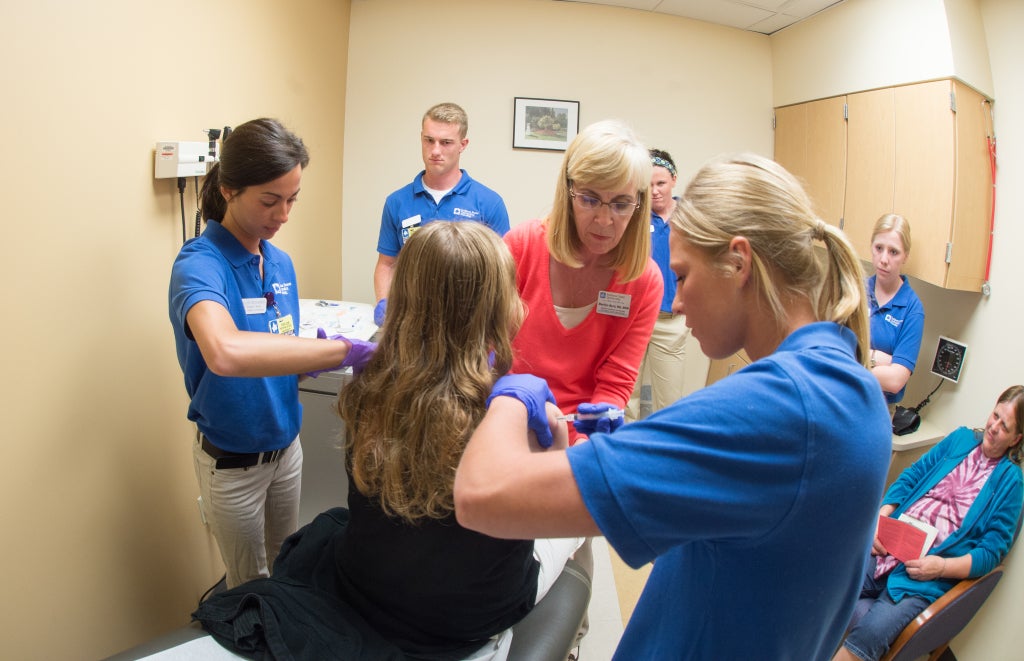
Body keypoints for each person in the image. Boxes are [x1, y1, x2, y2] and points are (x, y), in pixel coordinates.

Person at [455, 153, 893, 659]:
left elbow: (480, 495)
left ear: (738, 262)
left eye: (682, 276)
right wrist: (642, 455)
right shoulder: (853, 387)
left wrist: (513, 393)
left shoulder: (774, 410)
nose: (677, 302)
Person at [335, 220, 581, 660]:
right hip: (468, 621)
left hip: (369, 586)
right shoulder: (520, 418)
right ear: (497, 308)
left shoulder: (366, 387)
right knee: (579, 522)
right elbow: (549, 513)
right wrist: (565, 442)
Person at [168, 118, 374, 589]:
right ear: (229, 190)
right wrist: (338, 352)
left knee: (288, 569)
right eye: (269, 200)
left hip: (286, 451)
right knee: (250, 589)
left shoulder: (279, 262)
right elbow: (224, 352)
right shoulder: (199, 264)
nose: (283, 215)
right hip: (234, 465)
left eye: (292, 200)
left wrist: (306, 359)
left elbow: (276, 349)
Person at [835, 385, 1024, 661]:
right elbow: (911, 477)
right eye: (995, 415)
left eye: (1004, 426)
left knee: (871, 634)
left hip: (924, 576)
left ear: (1016, 439)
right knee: (830, 583)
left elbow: (990, 553)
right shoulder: (960, 439)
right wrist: (881, 520)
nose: (993, 427)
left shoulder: (1011, 483)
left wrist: (941, 567)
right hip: (890, 546)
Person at [504, 119, 662, 445]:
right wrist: (511, 411)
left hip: (580, 430)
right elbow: (485, 346)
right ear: (568, 192)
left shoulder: (644, 281)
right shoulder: (521, 246)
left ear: (638, 204)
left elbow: (617, 379)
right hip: (507, 413)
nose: (604, 220)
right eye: (589, 199)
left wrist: (587, 441)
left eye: (621, 204)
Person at [373, 102, 510, 325]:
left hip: (468, 323)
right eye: (429, 140)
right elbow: (386, 264)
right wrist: (384, 303)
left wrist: (494, 323)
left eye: (446, 142)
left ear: (463, 144)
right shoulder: (397, 202)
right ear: (421, 138)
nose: (435, 151)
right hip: (412, 320)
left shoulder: (488, 203)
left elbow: (503, 272)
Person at [626, 148, 690, 421]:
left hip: (670, 322)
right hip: (633, 318)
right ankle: (624, 443)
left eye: (661, 183)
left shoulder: (689, 218)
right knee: (626, 398)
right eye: (648, 184)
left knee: (670, 401)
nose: (654, 191)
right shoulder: (632, 216)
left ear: (674, 180)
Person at [866, 213, 924, 405]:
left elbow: (895, 381)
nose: (883, 259)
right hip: (843, 392)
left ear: (905, 256)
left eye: (893, 252)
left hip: (879, 406)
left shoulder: (912, 309)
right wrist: (878, 359)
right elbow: (834, 348)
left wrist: (857, 359)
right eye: (879, 248)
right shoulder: (855, 290)